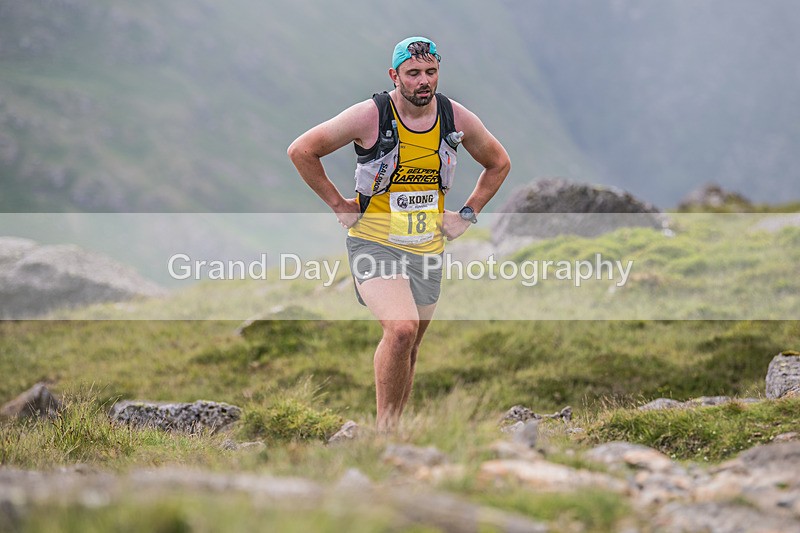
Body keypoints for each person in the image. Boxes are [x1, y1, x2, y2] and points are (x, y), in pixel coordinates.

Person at [288, 36, 510, 431]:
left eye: (430, 72)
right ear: (394, 76)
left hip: (427, 246)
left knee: (411, 345)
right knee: (402, 328)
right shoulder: (370, 116)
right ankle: (384, 433)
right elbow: (302, 150)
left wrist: (466, 215)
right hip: (374, 241)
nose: (423, 81)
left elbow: (498, 163)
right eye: (413, 74)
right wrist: (339, 204)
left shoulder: (455, 117)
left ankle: (393, 435)